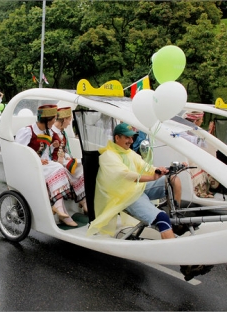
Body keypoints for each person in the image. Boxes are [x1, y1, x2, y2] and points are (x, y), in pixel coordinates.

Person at [88, 123, 212, 280]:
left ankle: (175, 221)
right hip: (125, 196)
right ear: (117, 137)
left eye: (131, 137)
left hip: (137, 188)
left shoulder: (128, 153)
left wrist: (164, 169)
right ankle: (184, 263)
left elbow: (146, 167)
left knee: (173, 179)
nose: (130, 141)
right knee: (161, 218)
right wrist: (152, 177)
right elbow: (126, 175)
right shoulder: (108, 156)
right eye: (126, 137)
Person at [15, 104, 78, 227]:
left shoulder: (47, 132)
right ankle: (60, 208)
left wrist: (52, 146)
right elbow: (19, 153)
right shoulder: (27, 131)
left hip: (42, 165)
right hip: (30, 167)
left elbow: (45, 153)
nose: (55, 121)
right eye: (54, 118)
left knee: (61, 169)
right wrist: (37, 159)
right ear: (46, 120)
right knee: (59, 168)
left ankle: (60, 208)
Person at [51, 106, 87, 214]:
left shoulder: (63, 133)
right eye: (69, 119)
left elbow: (66, 149)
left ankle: (83, 199)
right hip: (54, 161)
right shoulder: (51, 132)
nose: (69, 122)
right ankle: (82, 200)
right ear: (64, 119)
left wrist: (67, 156)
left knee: (82, 164)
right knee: (75, 167)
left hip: (64, 159)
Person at [180, 111, 216, 197]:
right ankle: (199, 191)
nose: (202, 121)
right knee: (198, 162)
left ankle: (206, 189)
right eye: (201, 120)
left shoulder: (194, 130)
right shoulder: (182, 130)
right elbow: (195, 141)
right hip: (182, 157)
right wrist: (209, 133)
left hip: (188, 155)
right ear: (196, 121)